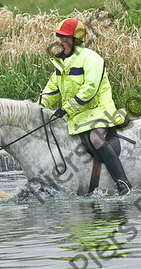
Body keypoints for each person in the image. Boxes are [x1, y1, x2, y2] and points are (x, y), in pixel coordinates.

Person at [39, 18, 132, 195]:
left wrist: (66, 108)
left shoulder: (92, 59)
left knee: (96, 139)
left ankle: (123, 182)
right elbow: (52, 89)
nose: (61, 42)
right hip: (77, 116)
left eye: (66, 39)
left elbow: (89, 89)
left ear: (76, 40)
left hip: (98, 111)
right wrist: (40, 106)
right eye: (61, 38)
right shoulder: (63, 63)